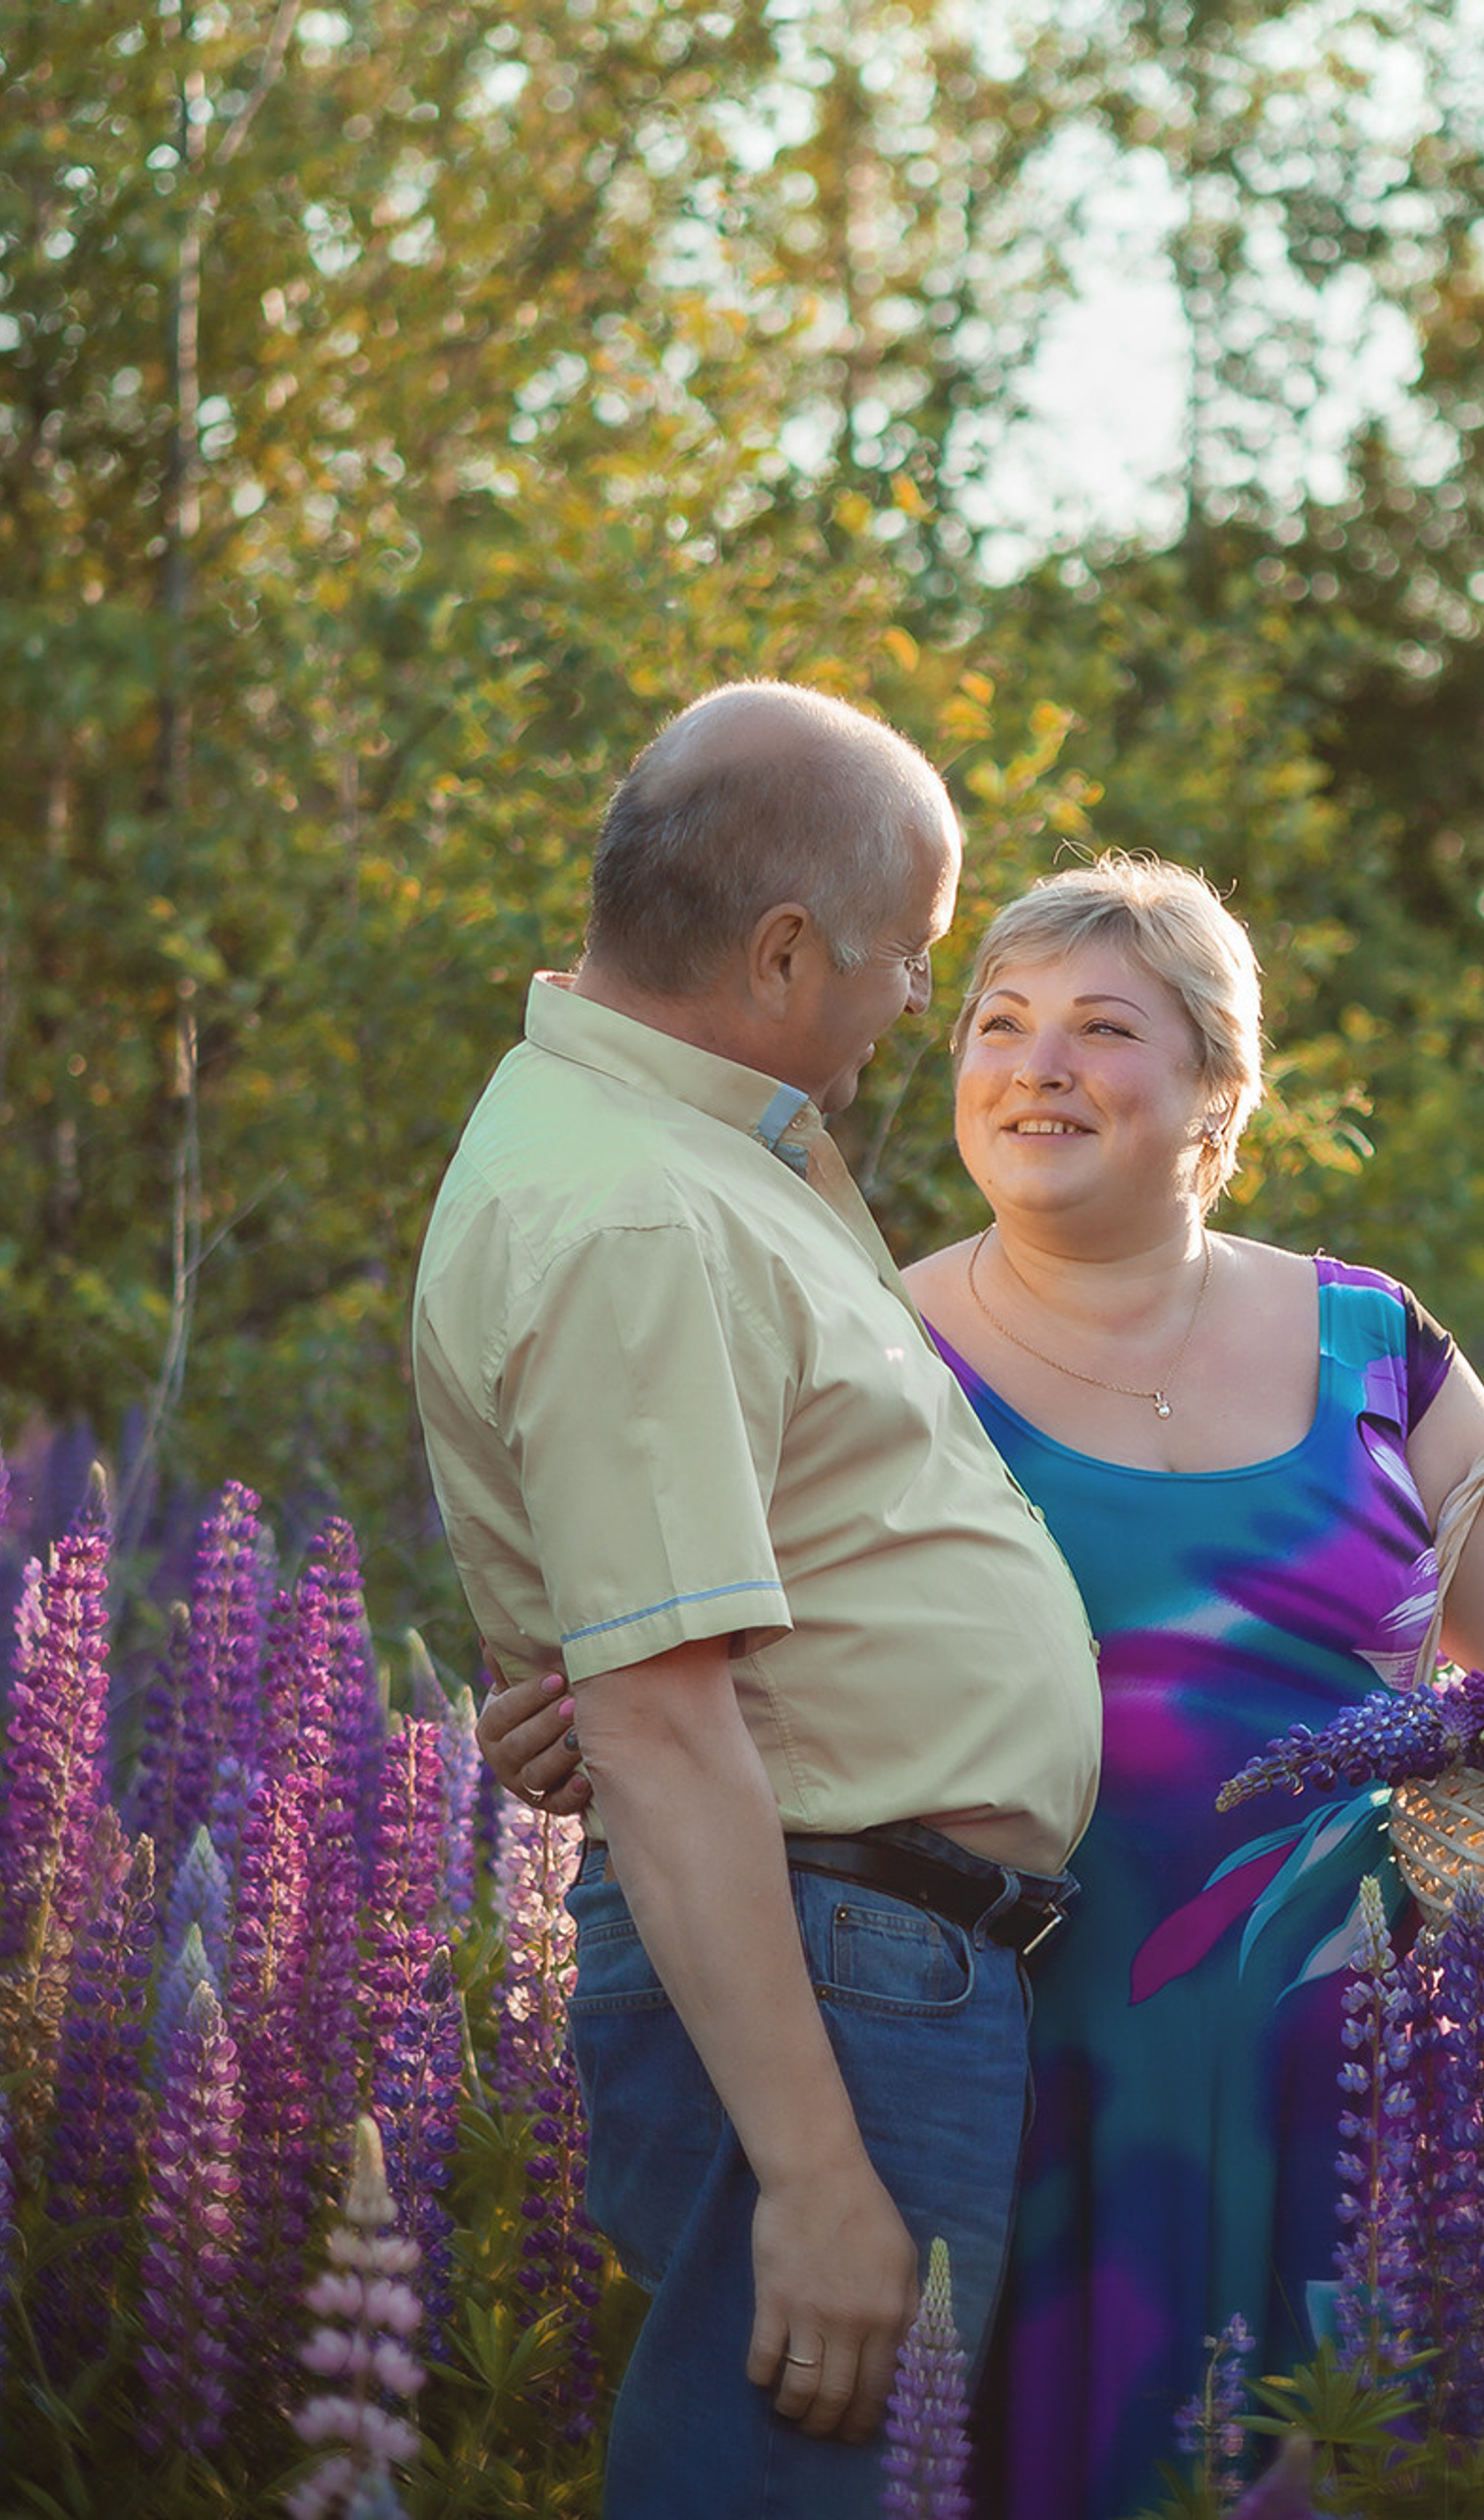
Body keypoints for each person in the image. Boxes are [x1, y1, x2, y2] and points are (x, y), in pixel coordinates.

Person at [483, 855, 1484, 2519]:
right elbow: (699, 1650)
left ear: (1218, 1084)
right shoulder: (871, 1342)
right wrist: (574, 1711)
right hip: (992, 2045)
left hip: (1342, 2066)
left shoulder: (1373, 1344)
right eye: (1000, 1023)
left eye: (1104, 1027)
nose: (1038, 1066)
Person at [411, 682, 1103, 2520]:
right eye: (912, 955)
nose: (920, 1003)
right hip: (830, 1983)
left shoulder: (696, 1156)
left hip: (859, 1955)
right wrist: (813, 2177)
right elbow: (655, 1726)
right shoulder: (642, 1212)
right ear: (785, 951)